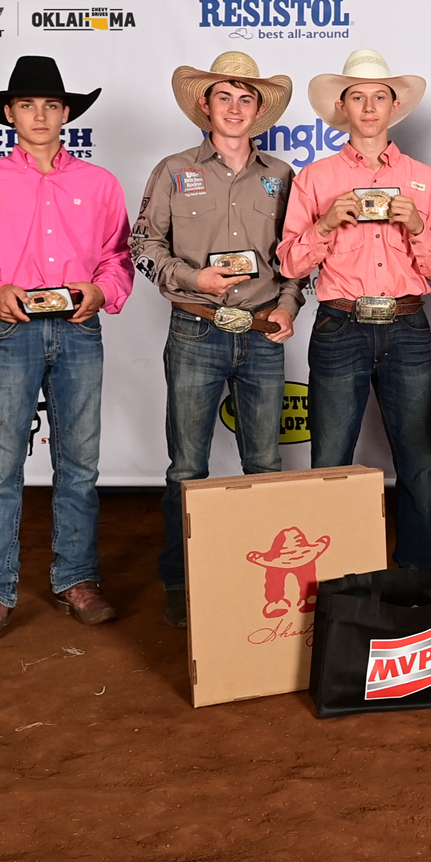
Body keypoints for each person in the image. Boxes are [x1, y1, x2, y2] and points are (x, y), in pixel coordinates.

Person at [0, 57, 133, 647]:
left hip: (77, 328)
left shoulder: (100, 185)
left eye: (51, 105)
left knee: (80, 463)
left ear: (67, 113)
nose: (39, 116)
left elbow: (117, 257)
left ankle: (77, 580)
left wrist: (100, 290)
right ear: (8, 114)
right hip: (9, 330)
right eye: (27, 105)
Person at [131, 52, 304, 630]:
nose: (234, 108)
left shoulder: (282, 176)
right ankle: (182, 584)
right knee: (187, 467)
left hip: (260, 334)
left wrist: (286, 305)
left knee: (264, 464)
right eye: (224, 97)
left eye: (246, 99)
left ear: (261, 112)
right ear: (205, 106)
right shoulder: (174, 169)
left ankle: (264, 587)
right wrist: (191, 278)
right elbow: (143, 245)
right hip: (196, 328)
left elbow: (296, 257)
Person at [277, 51, 431, 571]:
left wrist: (418, 228)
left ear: (394, 106)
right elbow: (289, 261)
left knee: (418, 462)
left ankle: (420, 572)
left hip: (404, 325)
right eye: (358, 96)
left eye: (379, 96)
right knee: (329, 458)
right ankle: (327, 575)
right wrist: (326, 224)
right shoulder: (315, 179)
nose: (370, 106)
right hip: (341, 326)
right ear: (343, 107)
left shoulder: (424, 179)